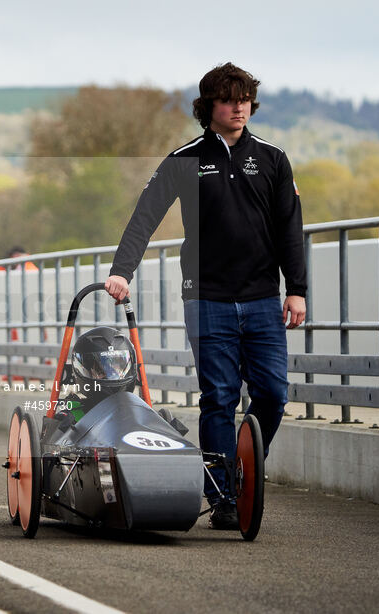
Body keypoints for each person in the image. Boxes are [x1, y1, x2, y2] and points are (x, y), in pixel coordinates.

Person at [105, 63, 307, 529]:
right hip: (207, 298)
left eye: (245, 99)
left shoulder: (273, 159)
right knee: (218, 396)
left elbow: (289, 230)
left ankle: (243, 465)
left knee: (273, 394)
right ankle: (223, 497)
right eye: (228, 99)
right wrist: (122, 272)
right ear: (208, 107)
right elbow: (145, 216)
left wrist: (296, 289)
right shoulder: (186, 158)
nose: (239, 106)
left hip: (261, 298)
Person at [59, 326, 137, 424]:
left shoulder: (139, 410)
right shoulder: (73, 416)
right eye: (101, 371)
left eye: (117, 369)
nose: (112, 374)